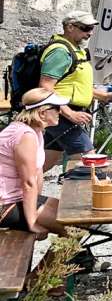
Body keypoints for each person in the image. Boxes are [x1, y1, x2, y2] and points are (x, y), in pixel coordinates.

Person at [38, 11, 112, 170]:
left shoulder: (76, 50)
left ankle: (12, 190)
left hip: (61, 113)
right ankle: (83, 194)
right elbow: (45, 87)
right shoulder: (60, 52)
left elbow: (75, 85)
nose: (89, 33)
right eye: (85, 28)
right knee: (89, 160)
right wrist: (70, 113)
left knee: (45, 163)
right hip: (60, 114)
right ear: (70, 27)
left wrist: (104, 96)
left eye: (91, 29)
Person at [0, 89, 70, 236]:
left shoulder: (35, 131)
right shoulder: (25, 135)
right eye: (56, 108)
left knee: (70, 216)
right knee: (70, 227)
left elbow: (37, 173)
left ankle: (69, 258)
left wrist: (37, 204)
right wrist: (32, 222)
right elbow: (29, 182)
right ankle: (75, 259)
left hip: (15, 198)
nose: (60, 112)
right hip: (4, 204)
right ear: (42, 112)